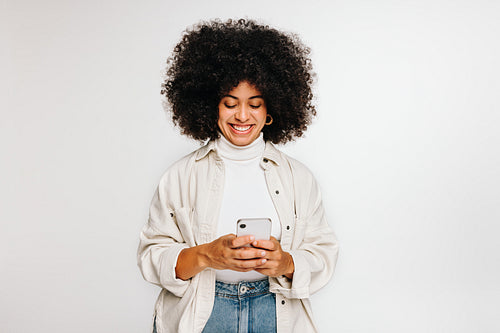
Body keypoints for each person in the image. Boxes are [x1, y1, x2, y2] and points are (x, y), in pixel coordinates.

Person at [137, 19, 339, 333]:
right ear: (210, 107)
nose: (242, 116)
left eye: (254, 104)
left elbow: (323, 253)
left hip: (273, 308)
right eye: (230, 104)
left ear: (271, 109)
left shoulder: (299, 178)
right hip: (203, 311)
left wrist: (285, 263)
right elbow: (151, 256)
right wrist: (206, 255)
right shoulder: (180, 175)